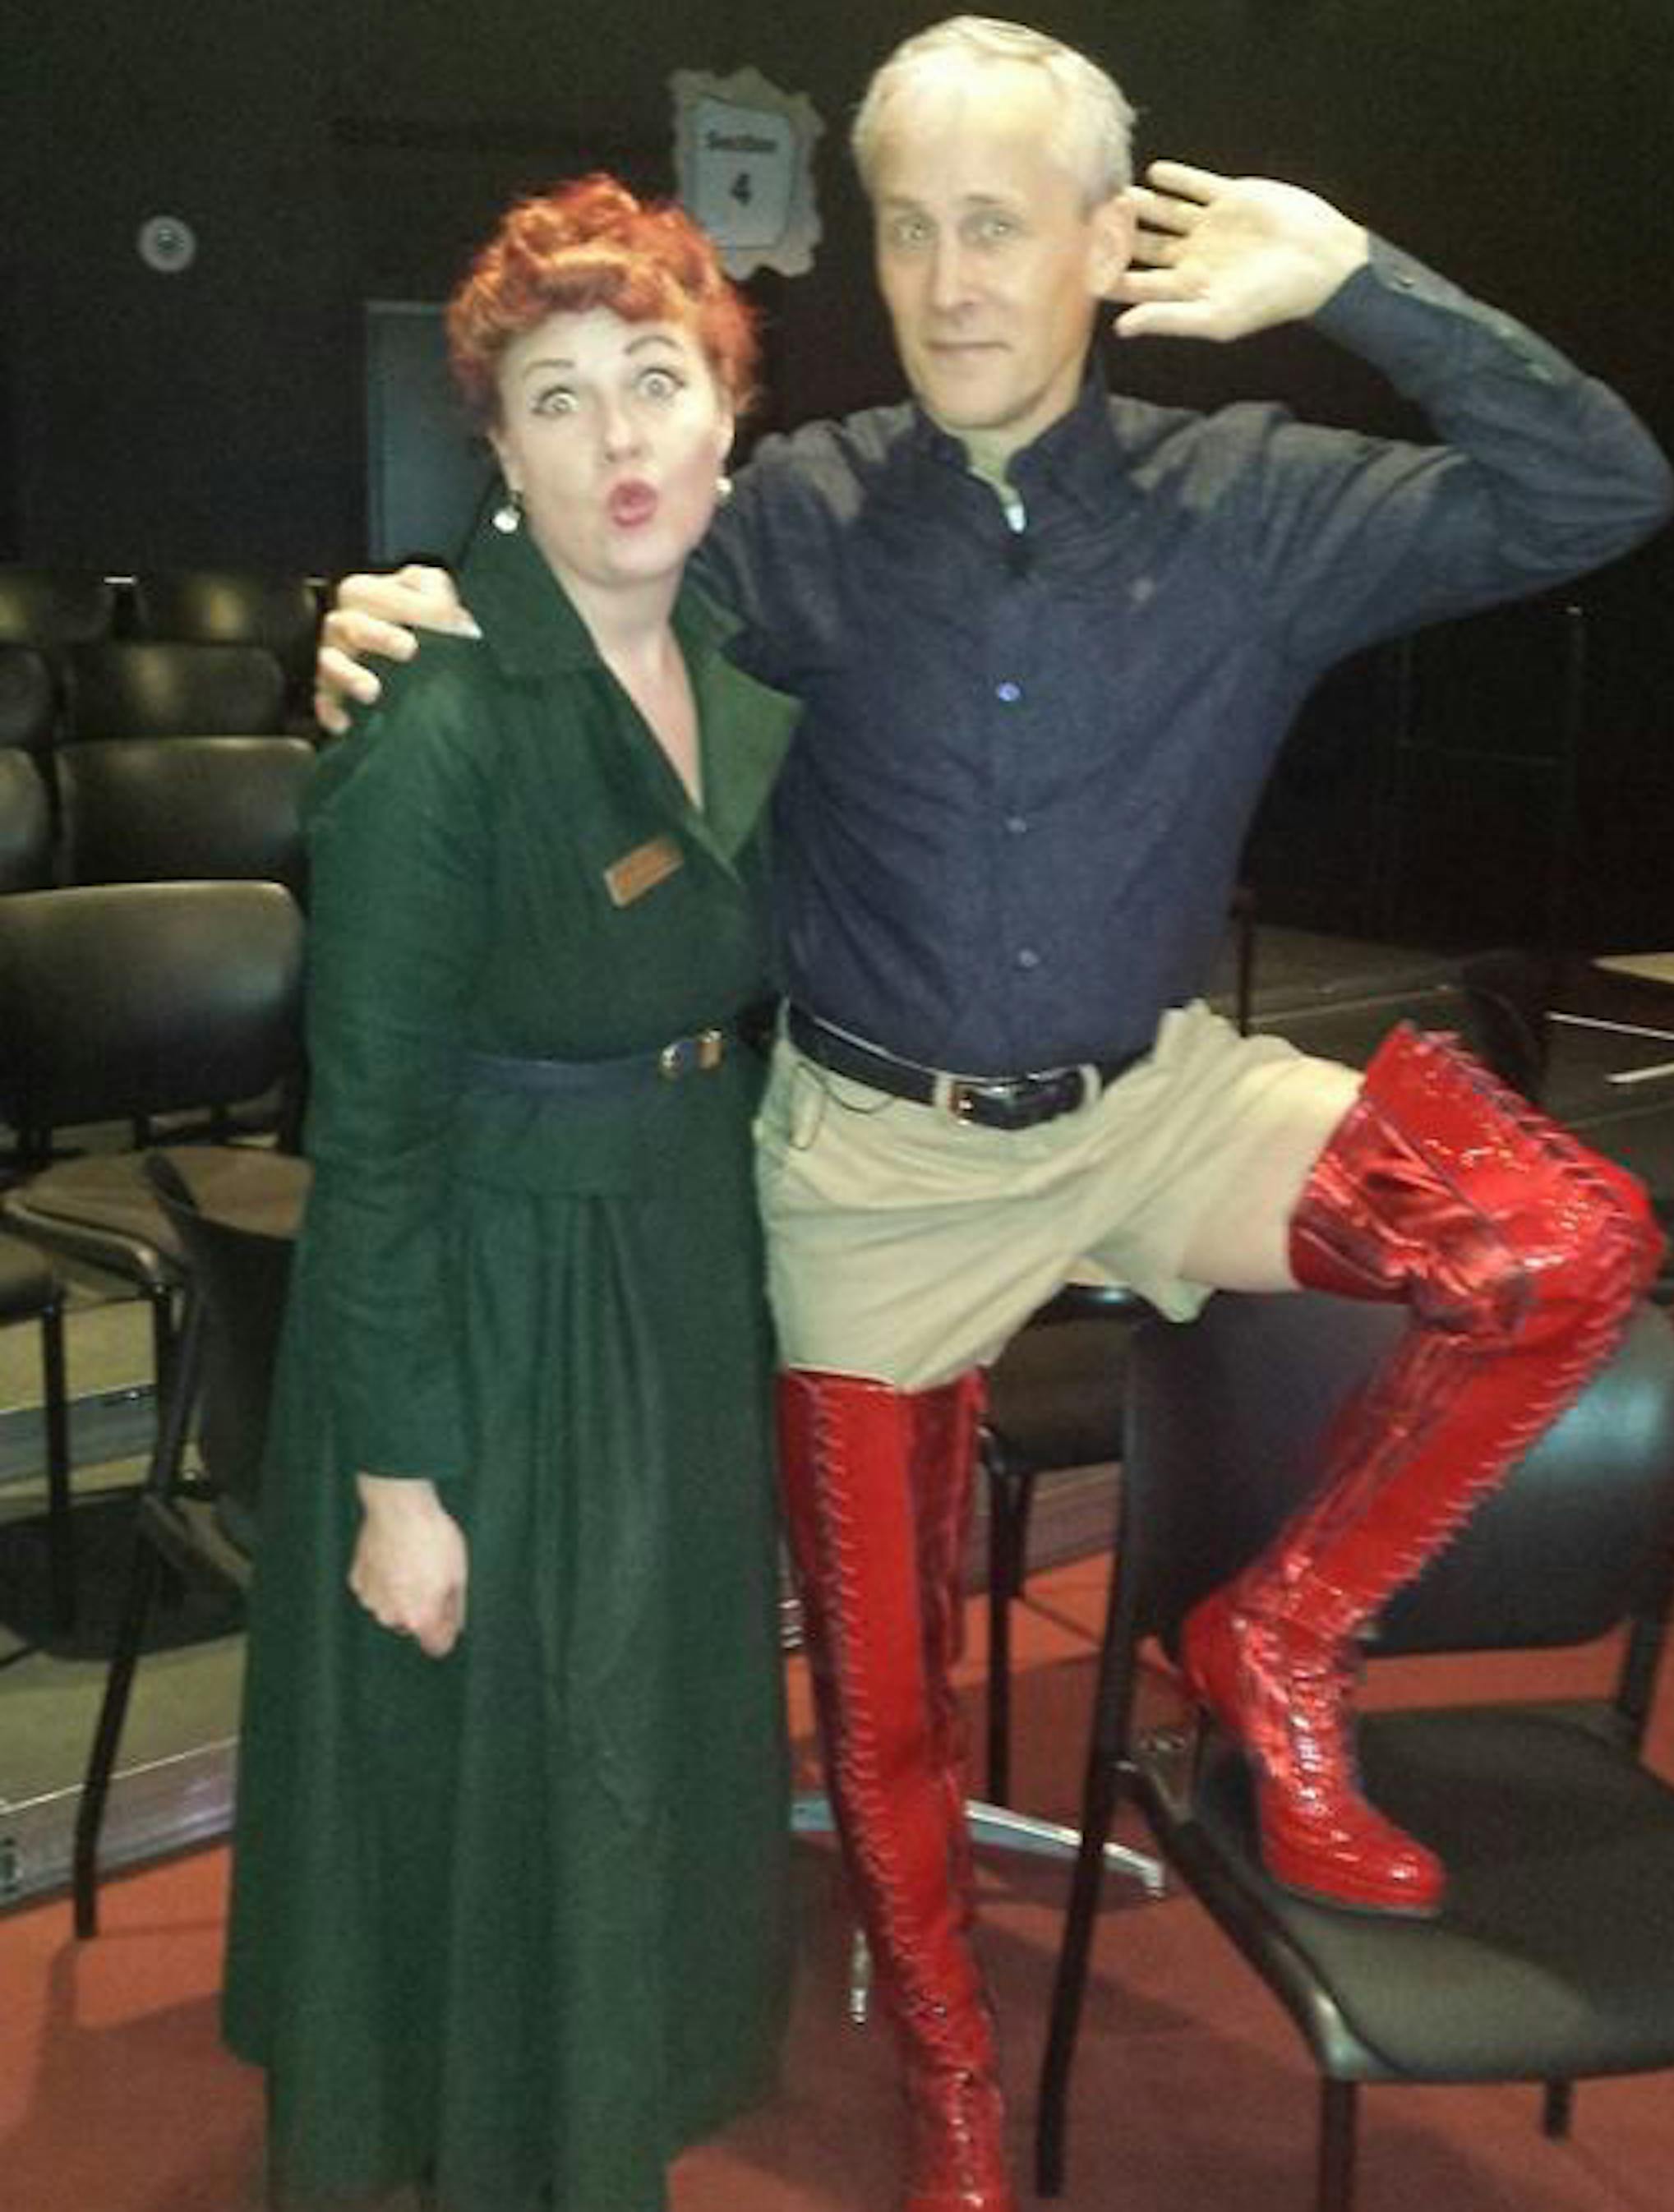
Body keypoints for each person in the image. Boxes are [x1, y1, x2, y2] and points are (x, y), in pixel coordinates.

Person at [317, 21, 1674, 2211]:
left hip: (1159, 1098)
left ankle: (1279, 1633)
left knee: (1563, 1239)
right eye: (913, 227)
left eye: (1002, 224)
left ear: (1097, 246)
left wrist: (1355, 277)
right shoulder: (806, 516)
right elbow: (583, 595)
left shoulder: (1259, 497)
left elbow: (1600, 488)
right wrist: (398, 613)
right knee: (880, 1700)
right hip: (877, 1153)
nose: (953, 279)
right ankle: (954, 2084)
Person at [224, 174, 801, 2212]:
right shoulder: (438, 723)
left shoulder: (742, 663)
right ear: (493, 448)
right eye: (556, 399)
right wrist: (399, 1475)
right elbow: (364, 1131)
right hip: (490, 1301)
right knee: (510, 1767)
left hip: (673, 1260)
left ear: (732, 414)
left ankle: (600, 2100)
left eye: (658, 381)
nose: (619, 439)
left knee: (634, 1744)